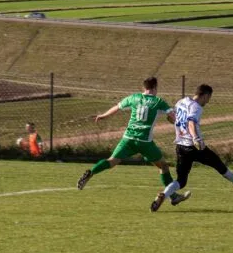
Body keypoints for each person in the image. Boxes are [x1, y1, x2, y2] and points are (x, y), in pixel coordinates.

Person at [76, 77, 190, 210]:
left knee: (111, 161)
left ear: (144, 87)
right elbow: (173, 116)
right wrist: (182, 127)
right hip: (145, 142)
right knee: (163, 167)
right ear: (155, 88)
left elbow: (117, 107)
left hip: (128, 139)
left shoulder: (134, 98)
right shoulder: (158, 101)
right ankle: (173, 196)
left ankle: (91, 172)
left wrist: (103, 116)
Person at [154, 84, 233, 210]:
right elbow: (191, 122)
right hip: (194, 146)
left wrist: (178, 125)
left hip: (180, 146)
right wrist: (195, 138)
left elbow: (171, 118)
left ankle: (164, 195)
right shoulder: (196, 107)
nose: (208, 102)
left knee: (181, 180)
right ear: (205, 95)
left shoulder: (181, 102)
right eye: (209, 98)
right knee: (218, 164)